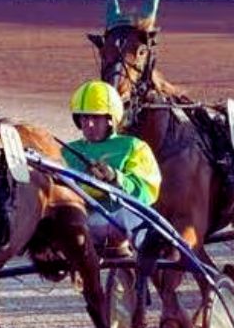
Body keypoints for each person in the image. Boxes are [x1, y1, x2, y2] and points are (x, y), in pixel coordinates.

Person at [63, 80, 163, 256]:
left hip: (122, 218)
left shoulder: (133, 146)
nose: (89, 124)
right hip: (85, 221)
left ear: (110, 120)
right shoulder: (66, 152)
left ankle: (148, 255)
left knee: (137, 214)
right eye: (84, 118)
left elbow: (146, 192)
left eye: (96, 117)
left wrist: (115, 177)